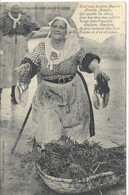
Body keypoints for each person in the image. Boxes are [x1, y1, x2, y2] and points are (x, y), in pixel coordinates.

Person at [15, 16, 109, 144]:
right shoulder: (42, 47)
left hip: (73, 93)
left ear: (66, 31)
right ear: (50, 29)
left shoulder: (73, 48)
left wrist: (97, 70)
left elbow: (87, 59)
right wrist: (25, 67)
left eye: (61, 27)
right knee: (48, 127)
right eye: (55, 26)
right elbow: (31, 61)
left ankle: (70, 156)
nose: (57, 29)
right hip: (47, 93)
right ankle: (49, 154)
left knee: (74, 131)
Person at [0, 3, 40, 104]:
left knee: (18, 68)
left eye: (17, 8)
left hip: (21, 46)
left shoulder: (24, 19)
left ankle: (14, 96)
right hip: (7, 45)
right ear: (10, 8)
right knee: (4, 70)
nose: (15, 10)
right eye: (13, 7)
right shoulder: (4, 18)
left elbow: (36, 27)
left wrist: (27, 37)